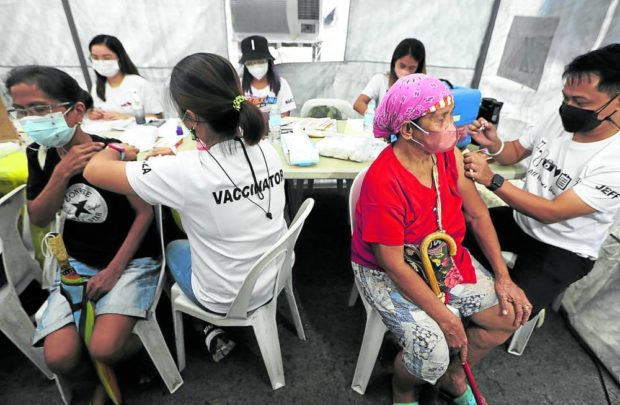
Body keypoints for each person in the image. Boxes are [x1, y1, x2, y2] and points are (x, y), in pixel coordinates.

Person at [83, 53, 288, 361]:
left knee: (171, 247)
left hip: (225, 296)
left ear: (190, 118)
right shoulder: (268, 150)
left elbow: (93, 171)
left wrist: (118, 148)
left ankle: (203, 325)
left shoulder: (184, 170)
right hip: (277, 275)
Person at [351, 74, 530, 405]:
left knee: (509, 315)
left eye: (450, 115)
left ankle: (452, 376)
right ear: (408, 130)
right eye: (441, 119)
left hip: (439, 255)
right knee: (432, 350)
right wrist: (447, 318)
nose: (453, 126)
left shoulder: (445, 155)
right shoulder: (383, 182)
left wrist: (504, 277)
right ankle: (403, 389)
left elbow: (476, 214)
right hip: (389, 271)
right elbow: (392, 264)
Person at [5, 65, 161, 404]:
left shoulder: (110, 151)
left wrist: (113, 271)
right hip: (77, 261)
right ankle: (95, 378)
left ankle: (127, 354)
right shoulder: (39, 155)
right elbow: (40, 217)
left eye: (41, 109)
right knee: (58, 357)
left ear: (76, 111)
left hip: (129, 260)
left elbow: (144, 213)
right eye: (22, 111)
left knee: (103, 345)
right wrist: (62, 172)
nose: (31, 119)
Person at [463, 44, 620, 316]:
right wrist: (494, 143)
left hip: (563, 247)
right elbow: (512, 152)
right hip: (521, 221)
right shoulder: (558, 119)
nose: (568, 108)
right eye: (565, 98)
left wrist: (493, 180)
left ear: (616, 102)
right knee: (450, 234)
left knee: (505, 317)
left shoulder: (614, 159)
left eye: (580, 103)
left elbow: (551, 213)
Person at [87, 34, 164, 120]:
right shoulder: (97, 86)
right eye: (95, 58)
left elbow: (158, 116)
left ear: (120, 58)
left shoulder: (139, 83)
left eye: (107, 58)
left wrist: (126, 117)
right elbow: (97, 112)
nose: (100, 62)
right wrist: (94, 114)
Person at [353, 38, 426, 115]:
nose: (405, 72)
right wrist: (377, 120)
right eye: (402, 66)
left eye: (412, 68)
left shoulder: (422, 88)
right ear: (394, 62)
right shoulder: (381, 80)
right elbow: (359, 104)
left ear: (418, 67)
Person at [239, 35, 296, 117]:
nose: (256, 67)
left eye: (261, 61)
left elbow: (285, 115)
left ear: (269, 62)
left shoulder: (281, 84)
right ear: (245, 65)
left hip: (275, 127)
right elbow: (236, 114)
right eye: (250, 63)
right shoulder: (239, 85)